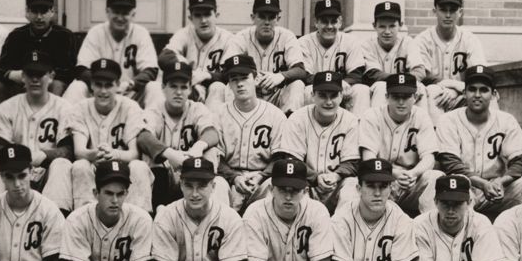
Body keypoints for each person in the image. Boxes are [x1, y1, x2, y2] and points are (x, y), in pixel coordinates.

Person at [43, 58, 153, 213]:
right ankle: (83, 218)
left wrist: (115, 154)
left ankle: (139, 220)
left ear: (117, 85)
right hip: (93, 169)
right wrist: (94, 153)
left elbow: (134, 154)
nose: (103, 91)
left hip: (122, 171)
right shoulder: (79, 109)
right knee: (80, 165)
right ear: (92, 85)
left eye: (108, 85)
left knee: (139, 166)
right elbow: (79, 152)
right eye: (98, 84)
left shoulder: (130, 107)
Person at [435, 65, 522, 220]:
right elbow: (450, 163)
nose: (477, 95)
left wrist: (501, 182)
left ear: (493, 94)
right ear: (464, 93)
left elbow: (521, 161)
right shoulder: (448, 120)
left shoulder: (506, 120)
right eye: (472, 89)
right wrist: (483, 184)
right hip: (460, 189)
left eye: (484, 90)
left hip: (497, 189)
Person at [137, 60, 225, 209]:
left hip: (192, 177)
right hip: (162, 177)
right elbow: (143, 137)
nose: (178, 92)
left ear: (190, 89)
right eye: (173, 86)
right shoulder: (155, 110)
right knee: (148, 156)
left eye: (183, 87)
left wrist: (198, 146)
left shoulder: (197, 108)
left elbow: (212, 133)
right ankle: (155, 212)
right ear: (163, 87)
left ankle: (209, 211)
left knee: (210, 150)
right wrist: (170, 154)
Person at [0, 49, 71, 199]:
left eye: (40, 74)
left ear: (51, 76)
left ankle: (57, 217)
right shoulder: (7, 107)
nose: (35, 79)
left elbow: (68, 150)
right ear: (23, 76)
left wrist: (44, 154)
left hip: (47, 173)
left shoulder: (64, 108)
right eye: (30, 74)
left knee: (62, 165)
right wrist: (21, 158)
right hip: (14, 174)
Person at [274, 70, 360, 213]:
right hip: (306, 183)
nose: (328, 102)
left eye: (333, 96)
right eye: (322, 95)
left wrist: (336, 175)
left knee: (351, 185)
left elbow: (352, 163)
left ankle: (342, 230)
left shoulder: (351, 121)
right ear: (312, 95)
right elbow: (291, 160)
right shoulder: (297, 118)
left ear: (341, 96)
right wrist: (315, 178)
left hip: (336, 184)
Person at [358, 72, 440, 215]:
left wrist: (413, 173)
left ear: (415, 97)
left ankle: (429, 226)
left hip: (411, 182)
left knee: (436, 177)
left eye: (406, 97)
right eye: (396, 97)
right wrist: (394, 174)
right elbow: (368, 158)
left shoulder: (421, 116)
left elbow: (429, 158)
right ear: (387, 97)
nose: (401, 102)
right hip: (380, 182)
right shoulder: (372, 115)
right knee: (354, 185)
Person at [213, 55, 287, 212]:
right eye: (234, 79)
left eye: (244, 77)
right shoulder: (218, 114)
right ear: (229, 85)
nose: (239, 84)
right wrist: (234, 178)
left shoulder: (275, 115)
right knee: (216, 185)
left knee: (273, 187)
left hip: (262, 179)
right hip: (229, 179)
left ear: (256, 78)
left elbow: (279, 158)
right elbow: (215, 158)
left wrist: (261, 176)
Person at [67, 0, 160, 107]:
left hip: (131, 94)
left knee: (154, 88)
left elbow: (150, 71)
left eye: (125, 13)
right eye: (116, 12)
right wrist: (105, 85)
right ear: (107, 12)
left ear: (133, 14)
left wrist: (131, 84)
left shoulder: (141, 33)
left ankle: (154, 124)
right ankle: (67, 124)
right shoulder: (95, 33)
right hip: (100, 92)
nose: (120, 18)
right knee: (77, 86)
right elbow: (82, 69)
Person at [410, 0, 487, 118]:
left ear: (460, 12)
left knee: (489, 95)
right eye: (443, 10)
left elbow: (481, 75)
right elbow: (424, 77)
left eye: (452, 10)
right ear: (435, 11)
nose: (448, 15)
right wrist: (451, 87)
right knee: (432, 91)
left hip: (463, 98)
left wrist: (457, 90)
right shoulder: (422, 40)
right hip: (433, 101)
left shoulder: (469, 39)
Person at [226, 0, 308, 114]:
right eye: (262, 17)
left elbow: (300, 70)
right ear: (253, 17)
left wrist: (281, 76)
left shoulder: (287, 36)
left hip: (277, 95)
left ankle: (289, 124)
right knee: (229, 87)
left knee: (297, 84)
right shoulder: (241, 38)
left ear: (278, 19)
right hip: (250, 95)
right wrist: (249, 76)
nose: (267, 22)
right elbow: (226, 70)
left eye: (271, 17)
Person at [0, 0, 76, 104]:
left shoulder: (64, 36)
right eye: (34, 11)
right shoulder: (16, 35)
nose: (39, 17)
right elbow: (0, 70)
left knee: (57, 84)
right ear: (27, 12)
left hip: (50, 85)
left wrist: (44, 77)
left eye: (43, 11)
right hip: (21, 85)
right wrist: (15, 75)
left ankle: (49, 119)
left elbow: (69, 71)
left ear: (52, 12)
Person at [158, 0, 235, 112]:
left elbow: (232, 72)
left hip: (214, 93)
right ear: (191, 18)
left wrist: (206, 75)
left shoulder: (228, 39)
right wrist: (189, 73)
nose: (203, 20)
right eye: (198, 15)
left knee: (218, 87)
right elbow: (164, 57)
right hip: (190, 87)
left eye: (207, 14)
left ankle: (212, 127)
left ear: (216, 15)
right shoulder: (184, 33)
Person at [298, 0, 370, 114]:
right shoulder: (304, 43)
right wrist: (330, 85)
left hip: (342, 89)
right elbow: (305, 75)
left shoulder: (351, 41)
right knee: (308, 91)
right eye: (325, 21)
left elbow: (356, 74)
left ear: (340, 22)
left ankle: (358, 129)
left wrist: (339, 85)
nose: (330, 26)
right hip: (317, 90)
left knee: (361, 90)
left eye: (334, 21)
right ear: (316, 22)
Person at [364, 1, 428, 111]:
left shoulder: (408, 42)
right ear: (374, 26)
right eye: (382, 26)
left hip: (405, 88)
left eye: (392, 26)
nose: (387, 31)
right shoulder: (367, 45)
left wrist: (405, 83)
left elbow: (420, 71)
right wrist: (402, 81)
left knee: (420, 87)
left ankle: (420, 127)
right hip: (379, 91)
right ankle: (377, 126)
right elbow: (373, 74)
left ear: (401, 25)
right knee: (381, 87)